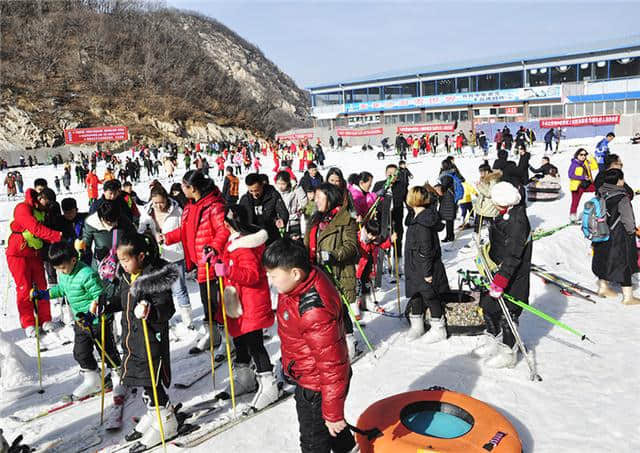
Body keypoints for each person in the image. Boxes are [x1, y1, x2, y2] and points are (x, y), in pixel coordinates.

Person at [262, 239, 356, 453]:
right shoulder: (298, 284)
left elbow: (332, 366)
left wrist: (333, 414)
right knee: (334, 432)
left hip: (317, 387)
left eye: (273, 275)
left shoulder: (314, 311)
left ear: (295, 273)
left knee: (314, 442)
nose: (270, 280)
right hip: (311, 376)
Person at [92, 232, 179, 448]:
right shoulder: (126, 276)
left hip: (152, 340)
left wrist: (150, 310)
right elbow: (123, 300)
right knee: (141, 380)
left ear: (140, 257)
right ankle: (152, 412)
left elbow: (167, 308)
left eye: (125, 260)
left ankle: (165, 419)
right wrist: (106, 304)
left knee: (152, 380)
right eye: (119, 260)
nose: (122, 264)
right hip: (133, 339)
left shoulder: (154, 278)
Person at [31, 241, 121, 399]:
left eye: (62, 267)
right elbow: (62, 289)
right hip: (81, 323)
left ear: (73, 260)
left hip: (98, 321)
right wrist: (44, 295)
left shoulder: (86, 274)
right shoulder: (64, 274)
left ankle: (118, 377)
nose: (61, 271)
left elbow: (99, 297)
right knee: (80, 353)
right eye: (57, 269)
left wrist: (92, 314)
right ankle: (93, 380)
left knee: (107, 352)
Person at [213, 204, 279, 409]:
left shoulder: (245, 246)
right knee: (240, 341)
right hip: (237, 303)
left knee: (254, 344)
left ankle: (269, 383)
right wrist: (216, 260)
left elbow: (251, 275)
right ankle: (245, 377)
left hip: (250, 303)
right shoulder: (234, 242)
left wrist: (227, 271)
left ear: (229, 224)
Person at [162, 170, 228, 354]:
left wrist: (213, 247)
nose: (182, 189)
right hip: (200, 263)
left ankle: (227, 339)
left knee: (218, 303)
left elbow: (224, 231)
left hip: (214, 262)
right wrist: (166, 238)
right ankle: (212, 334)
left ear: (193, 188)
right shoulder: (191, 206)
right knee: (207, 302)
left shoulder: (214, 206)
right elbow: (185, 231)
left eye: (184, 186)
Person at [473, 181, 531, 368]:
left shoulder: (517, 222)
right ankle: (493, 340)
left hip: (511, 276)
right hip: (497, 270)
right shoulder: (506, 213)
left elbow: (513, 255)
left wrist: (501, 280)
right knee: (489, 306)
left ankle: (508, 352)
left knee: (509, 314)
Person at [305, 183, 359, 359]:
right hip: (316, 272)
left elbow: (351, 246)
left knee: (340, 309)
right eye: (316, 197)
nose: (316, 200)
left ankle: (349, 341)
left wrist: (333, 255)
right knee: (322, 310)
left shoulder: (346, 220)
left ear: (331, 197)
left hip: (336, 272)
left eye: (321, 197)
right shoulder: (314, 219)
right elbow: (308, 243)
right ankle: (330, 342)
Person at [6, 188, 63, 337]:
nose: (47, 205)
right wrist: (56, 236)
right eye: (46, 201)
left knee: (41, 286)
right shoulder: (22, 208)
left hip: (35, 253)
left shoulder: (41, 210)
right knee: (24, 288)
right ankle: (28, 323)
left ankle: (45, 319)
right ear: (40, 197)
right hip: (18, 254)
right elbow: (35, 228)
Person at [138, 183, 192, 328]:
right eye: (155, 203)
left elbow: (184, 230)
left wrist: (167, 237)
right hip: (156, 257)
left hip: (175, 254)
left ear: (167, 199)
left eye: (161, 202)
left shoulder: (177, 210)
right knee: (160, 291)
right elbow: (141, 230)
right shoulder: (147, 211)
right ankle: (164, 317)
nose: (158, 206)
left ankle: (188, 321)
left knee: (179, 288)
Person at [404, 186, 449, 342]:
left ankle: (438, 327)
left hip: (423, 267)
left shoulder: (423, 223)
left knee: (430, 296)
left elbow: (426, 250)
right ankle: (417, 325)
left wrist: (427, 272)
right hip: (414, 266)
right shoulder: (416, 217)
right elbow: (407, 220)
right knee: (416, 294)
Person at [591, 169, 640, 304]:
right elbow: (628, 220)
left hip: (601, 232)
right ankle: (628, 297)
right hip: (619, 235)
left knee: (603, 258)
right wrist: (631, 232)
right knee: (624, 263)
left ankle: (603, 287)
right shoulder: (622, 197)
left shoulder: (601, 193)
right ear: (619, 181)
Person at [239, 173, 289, 245]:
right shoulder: (245, 199)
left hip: (271, 235)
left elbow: (283, 212)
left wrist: (282, 220)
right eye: (251, 191)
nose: (254, 194)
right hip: (253, 237)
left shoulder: (273, 195)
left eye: (256, 190)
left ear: (262, 185)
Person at [356, 220, 394, 315]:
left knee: (367, 284)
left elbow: (383, 244)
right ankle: (356, 304)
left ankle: (366, 302)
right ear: (366, 232)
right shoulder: (359, 238)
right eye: (371, 235)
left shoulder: (374, 240)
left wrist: (391, 241)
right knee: (357, 286)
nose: (373, 238)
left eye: (375, 236)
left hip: (369, 265)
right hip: (358, 267)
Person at [275, 171, 306, 241]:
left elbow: (304, 203)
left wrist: (297, 188)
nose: (280, 186)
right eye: (278, 183)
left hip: (293, 222)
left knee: (295, 244)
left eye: (283, 184)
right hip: (280, 223)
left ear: (288, 182)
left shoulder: (294, 192)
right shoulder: (275, 194)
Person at [568, 148, 596, 223]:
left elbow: (595, 167)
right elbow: (570, 175)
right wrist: (582, 177)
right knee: (575, 201)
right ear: (577, 155)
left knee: (597, 188)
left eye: (585, 154)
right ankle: (572, 217)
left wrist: (591, 158)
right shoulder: (574, 164)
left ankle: (600, 207)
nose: (583, 156)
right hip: (577, 186)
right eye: (581, 154)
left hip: (586, 184)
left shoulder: (585, 163)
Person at [473, 162, 501, 233]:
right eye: (480, 171)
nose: (480, 173)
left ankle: (492, 237)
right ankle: (476, 238)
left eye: (481, 171)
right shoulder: (483, 178)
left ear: (487, 171)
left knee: (490, 225)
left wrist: (479, 186)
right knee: (477, 225)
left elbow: (489, 193)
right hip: (481, 206)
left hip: (489, 207)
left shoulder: (493, 180)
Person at [438, 175, 457, 242]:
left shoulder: (446, 190)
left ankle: (449, 236)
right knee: (450, 222)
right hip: (451, 208)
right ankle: (450, 236)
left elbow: (441, 200)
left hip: (448, 208)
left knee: (449, 222)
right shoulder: (452, 188)